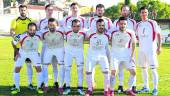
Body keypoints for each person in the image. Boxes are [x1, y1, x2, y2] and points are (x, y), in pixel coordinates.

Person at [11, 23, 43, 94]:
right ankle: (17, 87)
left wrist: (40, 52)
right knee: (17, 69)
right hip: (23, 52)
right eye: (30, 30)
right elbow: (13, 43)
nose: (32, 32)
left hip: (34, 53)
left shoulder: (39, 34)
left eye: (34, 30)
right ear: (27, 29)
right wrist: (17, 52)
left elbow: (45, 39)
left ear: (36, 30)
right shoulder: (21, 36)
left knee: (39, 68)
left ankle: (39, 87)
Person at [136, 6, 161, 96]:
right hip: (142, 50)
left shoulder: (153, 23)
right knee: (143, 69)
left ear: (148, 13)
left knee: (153, 69)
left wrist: (159, 47)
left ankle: (155, 88)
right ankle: (146, 87)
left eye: (145, 12)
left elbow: (159, 35)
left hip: (151, 50)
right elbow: (136, 37)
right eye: (142, 12)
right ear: (140, 13)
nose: (144, 14)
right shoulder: (138, 24)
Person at [113, 5, 137, 93]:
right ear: (121, 11)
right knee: (120, 68)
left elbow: (134, 37)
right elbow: (114, 34)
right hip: (119, 49)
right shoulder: (116, 21)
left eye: (127, 10)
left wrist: (132, 52)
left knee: (133, 68)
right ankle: (120, 85)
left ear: (129, 12)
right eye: (123, 10)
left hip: (130, 49)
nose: (125, 12)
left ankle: (133, 87)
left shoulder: (133, 22)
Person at [88, 4, 113, 87]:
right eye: (98, 10)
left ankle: (108, 86)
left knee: (108, 64)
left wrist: (105, 34)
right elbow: (89, 31)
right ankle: (91, 83)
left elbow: (111, 31)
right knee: (91, 65)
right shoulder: (92, 20)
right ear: (96, 11)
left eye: (101, 10)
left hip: (105, 46)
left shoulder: (108, 20)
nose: (100, 11)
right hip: (93, 45)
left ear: (104, 11)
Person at [10, 4, 35, 91]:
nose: (23, 11)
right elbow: (12, 30)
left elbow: (34, 31)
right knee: (16, 66)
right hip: (18, 48)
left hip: (29, 48)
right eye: (21, 10)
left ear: (26, 11)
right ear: (19, 11)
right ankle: (15, 84)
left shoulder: (30, 20)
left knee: (29, 66)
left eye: (24, 10)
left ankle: (30, 83)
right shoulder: (15, 20)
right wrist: (13, 35)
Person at [37, 4, 61, 90]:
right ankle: (44, 82)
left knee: (55, 65)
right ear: (45, 10)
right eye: (48, 10)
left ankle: (56, 82)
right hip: (45, 46)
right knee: (44, 65)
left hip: (55, 47)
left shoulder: (57, 21)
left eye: (52, 10)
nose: (50, 11)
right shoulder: (40, 21)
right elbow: (37, 33)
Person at [38, 18, 65, 93]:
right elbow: (34, 34)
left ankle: (60, 86)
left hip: (59, 49)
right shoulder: (43, 31)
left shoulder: (62, 30)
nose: (52, 27)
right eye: (50, 25)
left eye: (54, 25)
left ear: (57, 25)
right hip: (49, 49)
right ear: (48, 25)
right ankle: (46, 85)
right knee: (44, 66)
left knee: (62, 66)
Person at [85, 19, 110, 96]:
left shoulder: (107, 35)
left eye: (102, 25)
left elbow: (107, 47)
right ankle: (89, 89)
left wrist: (109, 59)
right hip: (91, 56)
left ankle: (106, 90)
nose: (101, 27)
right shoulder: (90, 33)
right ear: (96, 26)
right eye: (99, 25)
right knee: (88, 71)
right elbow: (85, 38)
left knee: (106, 72)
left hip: (102, 56)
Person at [63, 19, 86, 95]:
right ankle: (67, 87)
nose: (76, 28)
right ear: (71, 26)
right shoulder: (67, 31)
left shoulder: (84, 32)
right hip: (69, 52)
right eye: (74, 26)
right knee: (67, 69)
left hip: (79, 52)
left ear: (80, 26)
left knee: (80, 70)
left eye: (78, 26)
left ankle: (80, 87)